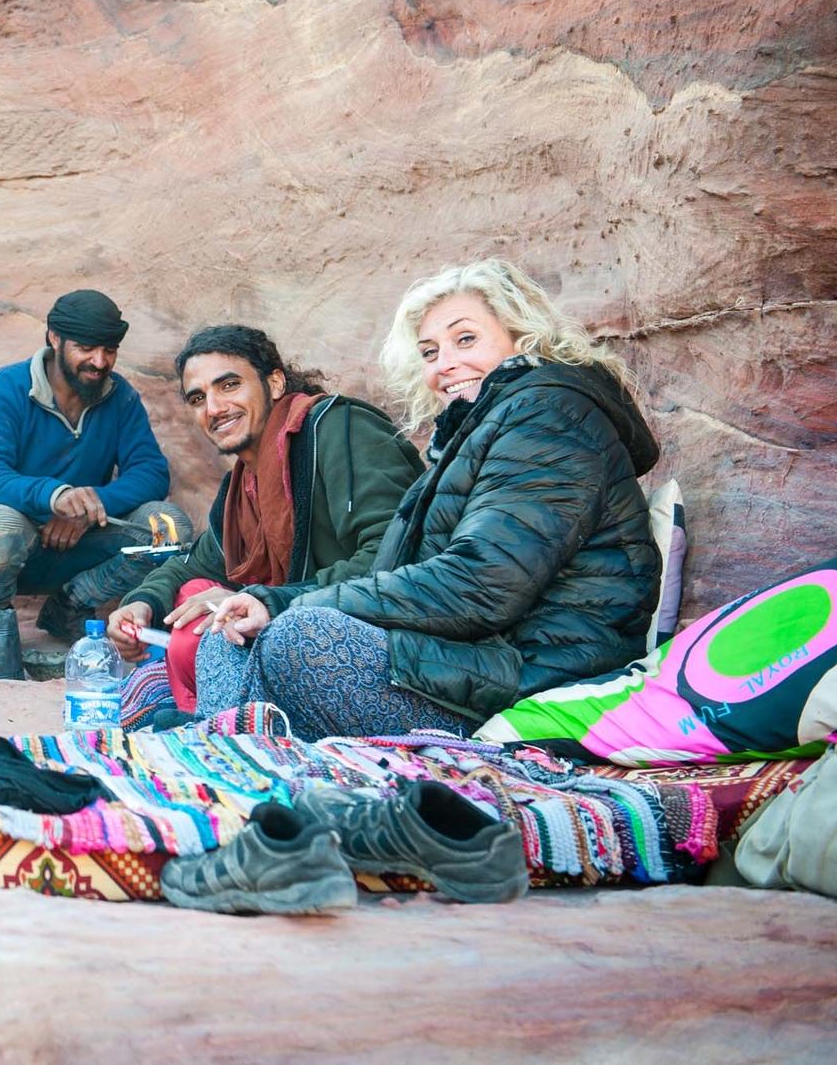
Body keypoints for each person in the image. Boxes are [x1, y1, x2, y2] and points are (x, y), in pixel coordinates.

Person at [201, 259, 660, 738]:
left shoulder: (551, 416)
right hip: (475, 655)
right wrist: (270, 600)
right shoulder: (474, 433)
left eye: (466, 339)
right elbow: (390, 574)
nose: (444, 364)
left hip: (535, 669)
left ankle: (241, 748)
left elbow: (483, 586)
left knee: (300, 641)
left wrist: (295, 610)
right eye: (429, 352)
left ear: (521, 336)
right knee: (228, 631)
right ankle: (233, 754)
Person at [107, 325, 423, 718]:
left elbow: (395, 563)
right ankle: (221, 722)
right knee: (196, 595)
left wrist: (264, 599)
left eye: (229, 385)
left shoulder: (342, 430)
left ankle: (220, 728)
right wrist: (140, 605)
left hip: (386, 655)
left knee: (222, 625)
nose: (214, 408)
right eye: (198, 398)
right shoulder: (243, 485)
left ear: (274, 383)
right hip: (298, 646)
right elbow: (194, 564)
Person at [0, 289, 189, 661]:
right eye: (86, 348)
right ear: (54, 338)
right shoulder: (6, 388)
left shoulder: (120, 397)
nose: (100, 361)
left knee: (170, 527)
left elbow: (151, 471)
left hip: (80, 541)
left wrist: (89, 506)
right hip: (13, 542)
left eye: (109, 350)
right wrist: (55, 496)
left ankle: (71, 605)